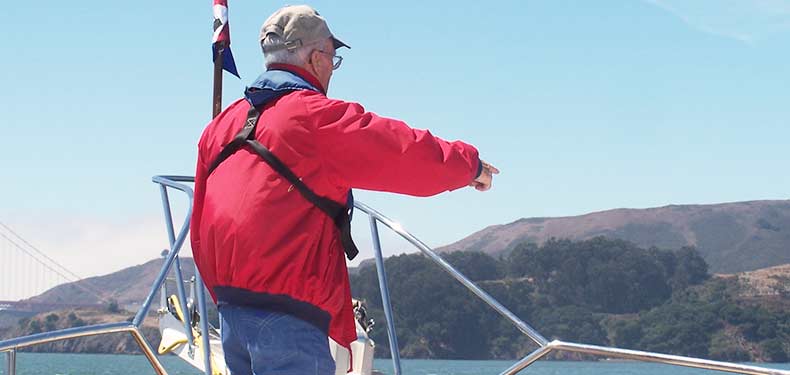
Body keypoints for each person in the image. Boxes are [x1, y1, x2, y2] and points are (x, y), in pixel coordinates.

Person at [190, 4, 499, 375]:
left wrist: (223, 297)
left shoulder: (220, 127)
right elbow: (402, 153)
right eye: (333, 59)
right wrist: (470, 165)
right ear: (316, 57)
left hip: (231, 311)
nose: (331, 69)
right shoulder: (310, 116)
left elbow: (201, 222)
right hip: (289, 316)